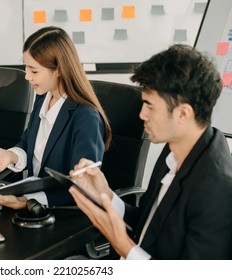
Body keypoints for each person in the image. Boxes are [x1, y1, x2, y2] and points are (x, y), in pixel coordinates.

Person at [69, 44, 232, 260]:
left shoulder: (218, 192)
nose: (141, 114)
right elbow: (150, 223)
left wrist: (123, 245)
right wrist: (105, 194)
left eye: (150, 106)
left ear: (183, 113)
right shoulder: (173, 150)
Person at [0, 26, 112, 208]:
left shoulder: (86, 117)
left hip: (59, 211)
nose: (27, 76)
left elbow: (83, 186)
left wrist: (27, 202)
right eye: (26, 68)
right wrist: (9, 155)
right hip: (28, 202)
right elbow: (27, 142)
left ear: (59, 70)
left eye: (34, 71)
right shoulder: (43, 97)